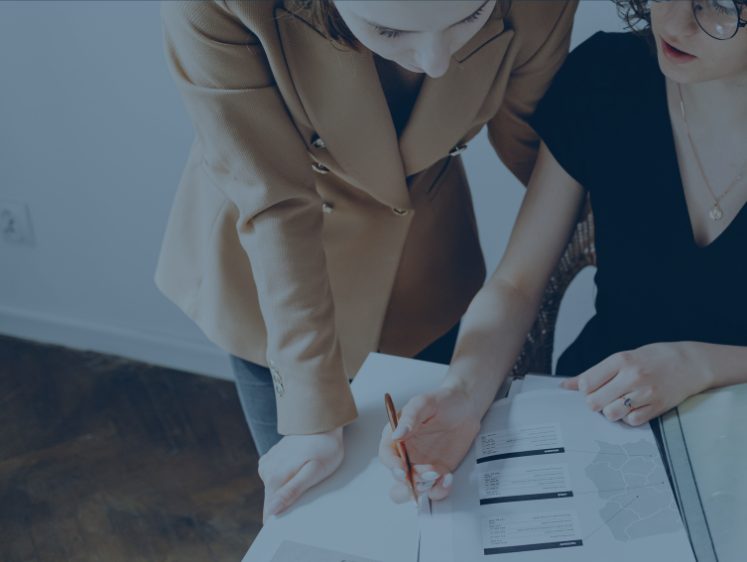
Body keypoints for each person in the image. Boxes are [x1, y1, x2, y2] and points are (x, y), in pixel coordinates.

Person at [379, 0, 747, 503]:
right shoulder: (604, 77)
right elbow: (517, 284)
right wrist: (462, 394)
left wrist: (696, 364)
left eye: (718, 7)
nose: (673, 22)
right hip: (597, 416)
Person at [156, 0, 577, 522]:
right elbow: (273, 199)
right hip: (274, 278)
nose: (436, 60)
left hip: (425, 261)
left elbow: (541, 153)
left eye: (469, 18)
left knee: (430, 503)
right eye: (391, 30)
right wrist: (312, 414)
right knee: (320, 515)